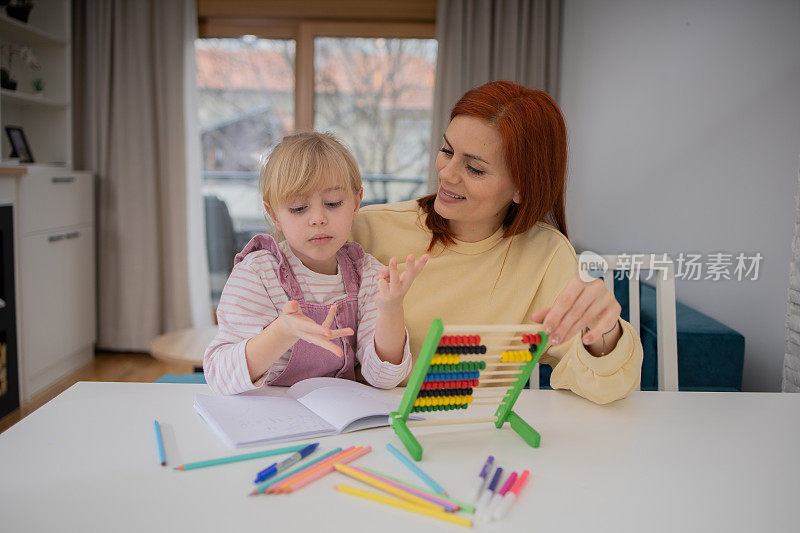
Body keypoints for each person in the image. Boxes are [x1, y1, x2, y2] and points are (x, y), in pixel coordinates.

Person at [350, 81, 643, 405]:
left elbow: (605, 386)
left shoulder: (545, 256)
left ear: (522, 187)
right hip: (363, 427)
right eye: (446, 151)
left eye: (474, 169)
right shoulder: (369, 229)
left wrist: (604, 332)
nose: (447, 174)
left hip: (468, 435)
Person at [204, 132, 428, 395]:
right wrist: (283, 332)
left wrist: (391, 312)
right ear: (273, 214)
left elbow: (383, 377)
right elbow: (218, 374)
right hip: (267, 416)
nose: (318, 218)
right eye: (299, 208)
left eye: (333, 203)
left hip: (339, 415)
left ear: (356, 203)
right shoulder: (258, 274)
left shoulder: (366, 274)